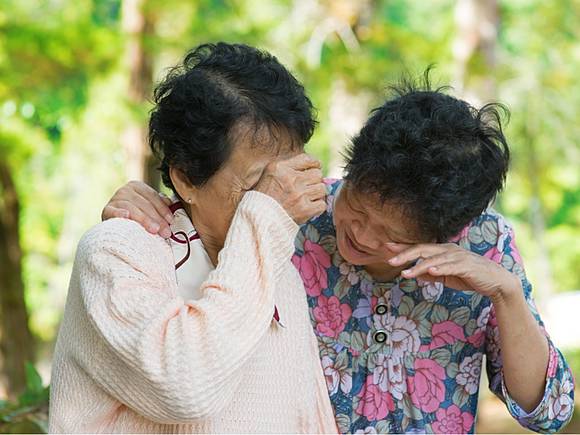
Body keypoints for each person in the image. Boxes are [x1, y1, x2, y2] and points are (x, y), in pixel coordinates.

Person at [106, 71, 575, 433]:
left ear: (451, 232)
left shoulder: (487, 245)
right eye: (357, 206)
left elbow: (548, 414)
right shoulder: (295, 214)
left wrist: (507, 295)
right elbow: (204, 211)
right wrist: (145, 203)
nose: (362, 236)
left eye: (392, 234)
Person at [48, 43, 338, 433]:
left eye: (289, 175)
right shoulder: (116, 251)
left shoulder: (274, 263)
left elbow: (307, 414)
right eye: (259, 183)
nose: (282, 197)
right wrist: (265, 218)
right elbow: (186, 388)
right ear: (185, 178)